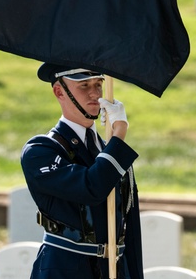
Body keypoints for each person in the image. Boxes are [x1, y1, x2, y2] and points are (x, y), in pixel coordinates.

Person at [21, 62, 143, 279]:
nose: (95, 93)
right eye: (84, 85)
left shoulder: (109, 150)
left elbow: (129, 225)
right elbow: (91, 188)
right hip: (65, 270)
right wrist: (119, 135)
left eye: (98, 84)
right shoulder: (40, 151)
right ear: (60, 91)